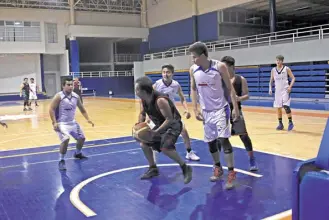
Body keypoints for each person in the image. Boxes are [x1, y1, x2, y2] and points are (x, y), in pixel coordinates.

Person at [188, 41, 240, 190]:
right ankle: (218, 168)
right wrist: (195, 108)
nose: (193, 60)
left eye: (194, 57)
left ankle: (231, 173)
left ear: (203, 55)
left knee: (223, 140)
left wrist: (235, 108)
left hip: (221, 109)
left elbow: (230, 89)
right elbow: (193, 89)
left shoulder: (219, 67)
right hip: (206, 112)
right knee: (211, 142)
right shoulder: (193, 69)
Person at [135, 76, 193, 184]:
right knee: (144, 144)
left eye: (136, 89)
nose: (135, 91)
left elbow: (169, 119)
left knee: (165, 148)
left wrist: (156, 132)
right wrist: (139, 124)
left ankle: (185, 167)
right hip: (159, 125)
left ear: (143, 91)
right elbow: (142, 113)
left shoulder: (160, 100)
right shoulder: (143, 100)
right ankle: (153, 168)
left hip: (173, 125)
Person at [152, 64, 200, 161]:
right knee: (154, 135)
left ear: (172, 74)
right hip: (160, 114)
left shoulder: (176, 84)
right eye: (163, 72)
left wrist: (186, 110)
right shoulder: (157, 84)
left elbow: (182, 98)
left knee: (184, 132)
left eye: (168, 72)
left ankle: (189, 152)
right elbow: (150, 99)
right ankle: (153, 160)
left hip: (172, 113)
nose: (165, 74)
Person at [221, 56, 258, 171]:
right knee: (220, 138)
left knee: (244, 136)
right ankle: (218, 164)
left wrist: (238, 98)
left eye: (225, 67)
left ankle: (252, 159)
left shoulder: (240, 79)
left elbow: (247, 95)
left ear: (232, 67)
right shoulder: (220, 80)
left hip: (236, 110)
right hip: (223, 111)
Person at [49, 77, 94, 170]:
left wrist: (88, 119)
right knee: (65, 139)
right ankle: (61, 160)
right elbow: (51, 109)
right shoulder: (59, 96)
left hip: (72, 123)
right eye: (68, 85)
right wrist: (54, 122)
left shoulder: (76, 97)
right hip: (61, 123)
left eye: (71, 85)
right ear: (63, 86)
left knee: (82, 138)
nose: (70, 87)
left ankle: (78, 153)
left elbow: (82, 109)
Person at [269, 55, 295, 131]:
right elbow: (271, 80)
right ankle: (280, 124)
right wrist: (270, 88)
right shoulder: (273, 70)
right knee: (278, 107)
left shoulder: (286, 69)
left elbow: (293, 78)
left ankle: (290, 122)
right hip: (277, 91)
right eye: (277, 60)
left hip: (285, 90)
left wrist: (290, 86)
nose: (278, 61)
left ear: (282, 61)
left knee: (286, 106)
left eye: (279, 60)